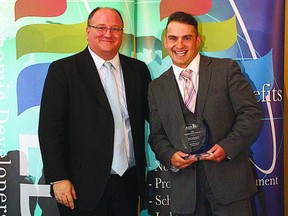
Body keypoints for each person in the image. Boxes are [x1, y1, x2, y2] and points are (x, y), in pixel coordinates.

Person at [38, 7, 151, 216]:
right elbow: (49, 130)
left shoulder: (139, 70)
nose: (108, 34)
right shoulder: (63, 71)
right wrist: (58, 177)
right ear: (88, 31)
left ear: (122, 33)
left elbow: (155, 116)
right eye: (101, 27)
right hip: (80, 188)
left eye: (115, 28)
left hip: (127, 183)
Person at [148, 11, 262, 215]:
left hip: (230, 187)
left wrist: (227, 148)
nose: (179, 45)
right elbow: (157, 136)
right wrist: (171, 155)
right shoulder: (156, 88)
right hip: (185, 192)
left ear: (198, 40)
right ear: (165, 42)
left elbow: (250, 114)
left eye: (187, 38)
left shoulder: (226, 70)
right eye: (173, 38)